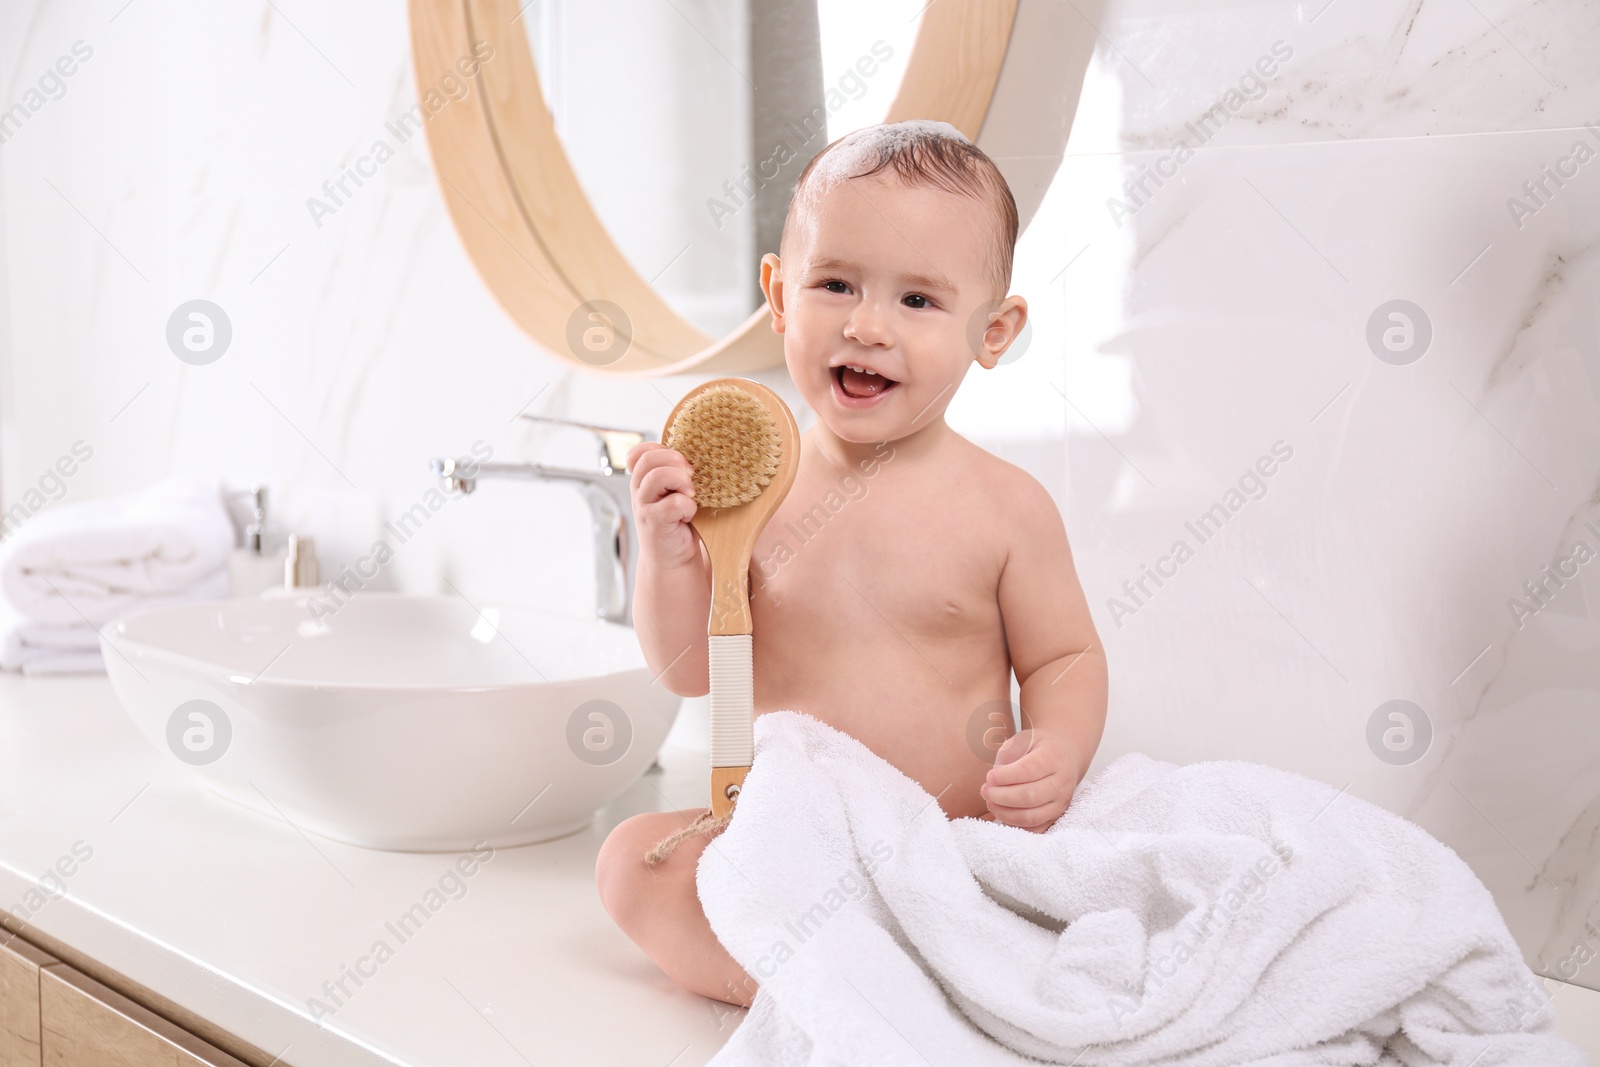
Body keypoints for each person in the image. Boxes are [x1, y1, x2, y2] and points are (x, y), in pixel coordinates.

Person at [594, 119, 1108, 1008]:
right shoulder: (751, 495)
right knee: (629, 863)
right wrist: (671, 553)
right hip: (787, 840)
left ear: (995, 330)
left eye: (919, 301)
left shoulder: (1005, 507)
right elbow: (685, 669)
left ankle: (902, 966)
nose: (868, 325)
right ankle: (830, 984)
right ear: (780, 295)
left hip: (951, 844)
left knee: (1082, 890)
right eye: (836, 283)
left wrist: (1057, 744)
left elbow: (1065, 657)